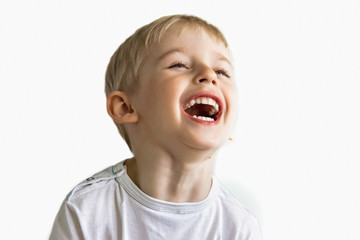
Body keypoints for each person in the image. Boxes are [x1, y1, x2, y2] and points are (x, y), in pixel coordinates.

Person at [49, 14, 262, 240]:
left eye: (222, 71)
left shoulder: (239, 227)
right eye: (179, 64)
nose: (209, 75)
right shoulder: (88, 211)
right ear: (125, 107)